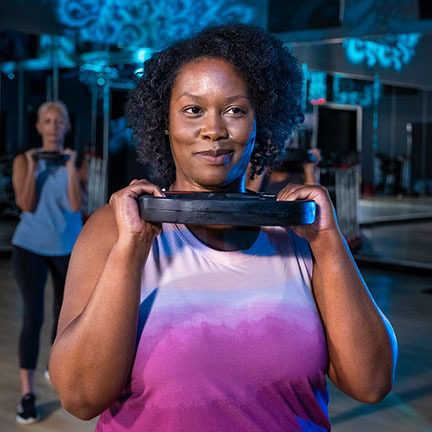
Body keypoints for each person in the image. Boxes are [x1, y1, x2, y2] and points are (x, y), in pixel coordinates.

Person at [49, 24, 397, 431]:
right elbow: (79, 396)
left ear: (259, 121)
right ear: (165, 122)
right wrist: (130, 251)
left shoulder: (298, 236)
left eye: (234, 109)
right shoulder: (115, 229)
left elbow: (371, 382)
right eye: (193, 109)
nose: (214, 129)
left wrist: (329, 242)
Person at [11, 100, 87, 424]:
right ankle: (27, 394)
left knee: (65, 314)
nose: (54, 126)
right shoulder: (22, 160)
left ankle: (55, 365)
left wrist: (70, 167)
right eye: (48, 120)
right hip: (29, 247)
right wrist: (33, 167)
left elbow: (74, 205)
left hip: (68, 248)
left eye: (60, 121)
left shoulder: (77, 161)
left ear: (67, 127)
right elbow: (26, 205)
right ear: (39, 127)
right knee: (33, 316)